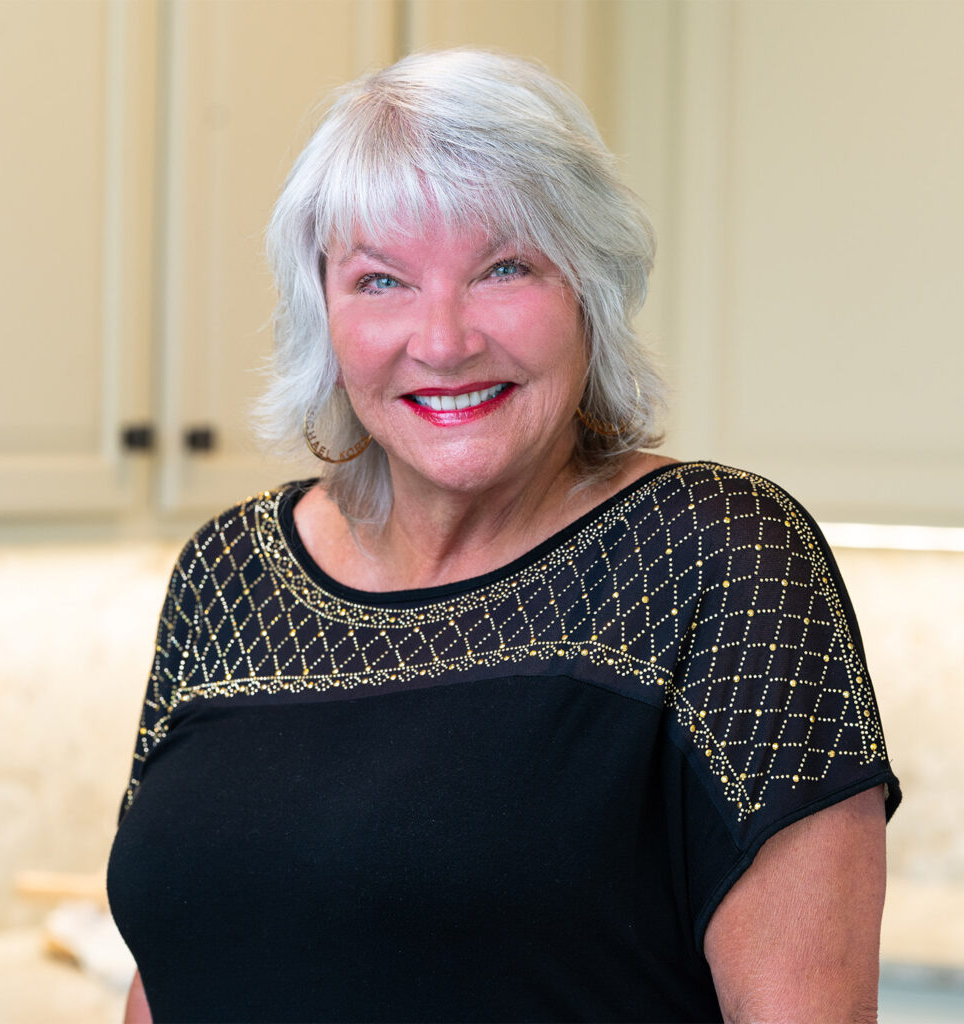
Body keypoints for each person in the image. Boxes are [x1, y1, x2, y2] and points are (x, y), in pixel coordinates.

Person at [107, 49, 899, 1023]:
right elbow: (172, 969)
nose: (442, 341)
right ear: (323, 311)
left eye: (504, 268)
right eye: (382, 280)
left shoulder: (718, 558)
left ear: (589, 295)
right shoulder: (228, 575)